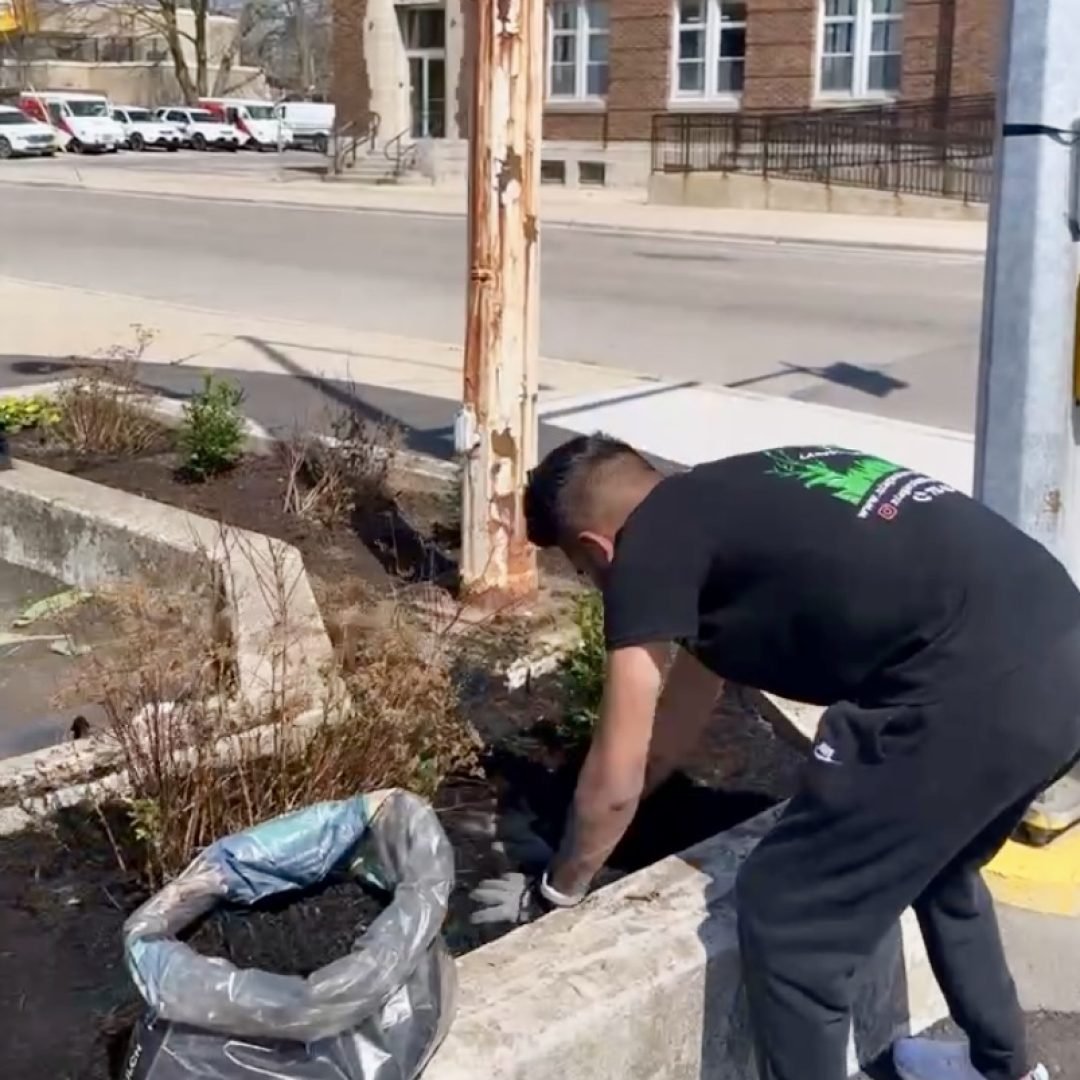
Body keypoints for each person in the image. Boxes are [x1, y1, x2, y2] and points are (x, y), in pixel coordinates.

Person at [470, 435, 1080, 1080]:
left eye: (584, 573)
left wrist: (555, 892)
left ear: (597, 549)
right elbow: (669, 727)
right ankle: (1000, 1068)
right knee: (943, 862)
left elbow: (616, 779)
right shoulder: (739, 495)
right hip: (1059, 646)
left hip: (965, 695)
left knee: (791, 921)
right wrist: (624, 808)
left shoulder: (646, 548)